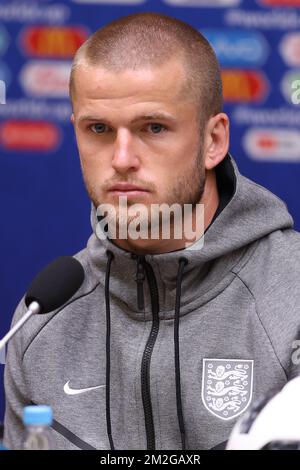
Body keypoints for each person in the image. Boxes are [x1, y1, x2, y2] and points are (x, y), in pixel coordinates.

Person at [3, 12, 300, 451]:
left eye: (153, 128)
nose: (121, 158)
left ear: (213, 141)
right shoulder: (41, 321)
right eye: (99, 129)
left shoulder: (291, 297)